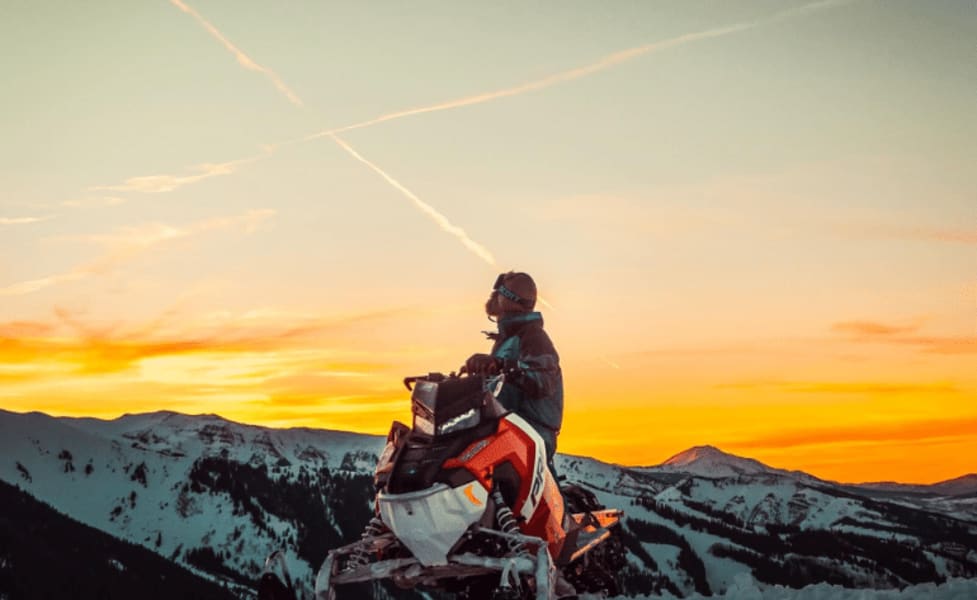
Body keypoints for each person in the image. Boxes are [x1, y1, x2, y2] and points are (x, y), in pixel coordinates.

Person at [464, 271, 564, 473]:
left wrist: (502, 365)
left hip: (529, 433)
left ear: (507, 299)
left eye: (498, 292)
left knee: (474, 463)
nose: (493, 296)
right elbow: (498, 384)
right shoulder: (509, 339)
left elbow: (543, 380)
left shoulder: (533, 337)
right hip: (506, 428)